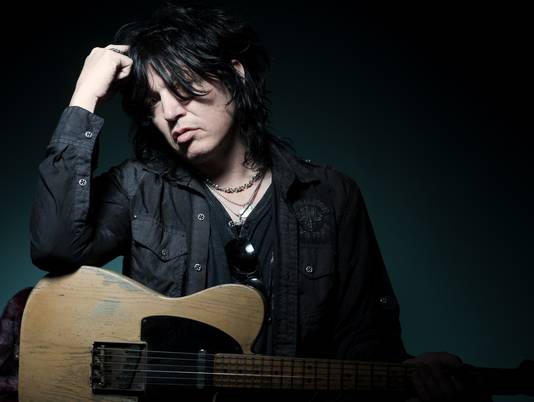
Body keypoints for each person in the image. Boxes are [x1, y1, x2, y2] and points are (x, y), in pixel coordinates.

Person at [29, 2, 491, 401]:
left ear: (236, 72)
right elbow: (54, 248)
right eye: (153, 100)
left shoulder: (331, 196)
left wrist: (407, 375)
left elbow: (365, 340)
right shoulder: (138, 187)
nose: (169, 111)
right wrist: (84, 98)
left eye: (182, 84)